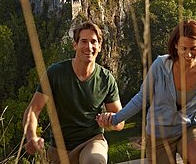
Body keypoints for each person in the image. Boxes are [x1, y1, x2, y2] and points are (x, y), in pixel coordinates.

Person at [98, 19, 196, 163]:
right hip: (158, 135)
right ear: (176, 46)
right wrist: (116, 118)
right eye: (184, 48)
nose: (189, 54)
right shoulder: (160, 66)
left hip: (187, 129)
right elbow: (141, 98)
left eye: (193, 49)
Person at [23, 21, 124, 164]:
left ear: (100, 47)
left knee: (94, 161)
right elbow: (33, 110)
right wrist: (31, 136)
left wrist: (111, 120)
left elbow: (120, 122)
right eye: (83, 41)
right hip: (59, 148)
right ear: (75, 45)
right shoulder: (55, 73)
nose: (89, 47)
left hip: (92, 141)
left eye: (93, 42)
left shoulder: (106, 79)